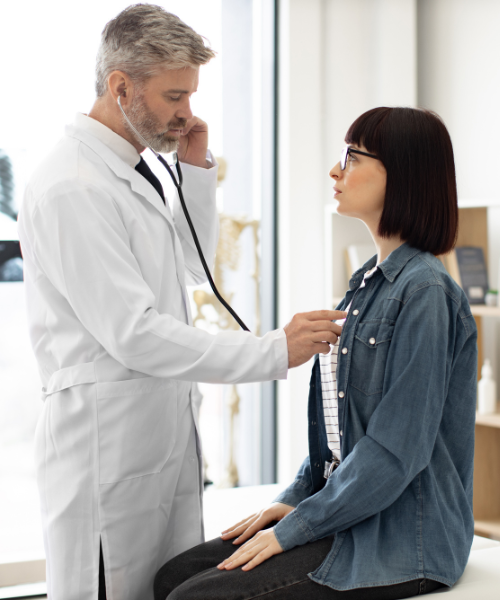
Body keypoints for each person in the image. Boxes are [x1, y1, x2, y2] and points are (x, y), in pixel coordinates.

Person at [17, 5, 344, 600]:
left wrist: (194, 172)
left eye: (190, 94)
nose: (186, 112)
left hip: (154, 433)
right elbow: (135, 333)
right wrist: (272, 349)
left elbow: (188, 267)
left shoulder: (129, 172)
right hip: (105, 446)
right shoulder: (73, 186)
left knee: (170, 587)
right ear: (121, 87)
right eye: (174, 95)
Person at [154, 106, 478, 600]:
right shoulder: (364, 287)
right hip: (353, 512)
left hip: (404, 539)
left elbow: (395, 452)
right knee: (171, 578)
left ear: (403, 175)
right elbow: (337, 438)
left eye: (351, 157)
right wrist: (292, 502)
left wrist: (297, 527)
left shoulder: (426, 292)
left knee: (192, 598)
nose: (335, 170)